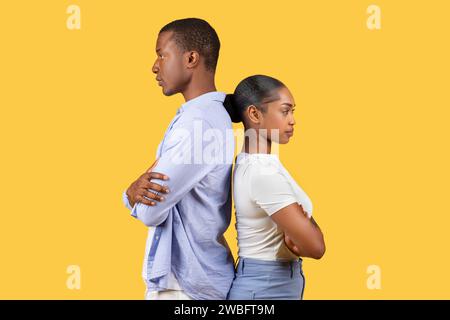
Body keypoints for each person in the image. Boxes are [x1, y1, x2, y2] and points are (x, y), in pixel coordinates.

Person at [122, 18, 235, 300]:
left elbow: (149, 211)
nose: (155, 66)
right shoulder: (202, 118)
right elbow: (142, 196)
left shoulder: (198, 124)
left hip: (187, 288)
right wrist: (131, 193)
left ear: (191, 58)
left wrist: (130, 193)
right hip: (193, 283)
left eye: (162, 54)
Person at [223, 75, 326, 300]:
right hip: (265, 290)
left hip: (267, 285)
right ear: (254, 114)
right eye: (285, 110)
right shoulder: (262, 173)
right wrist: (303, 228)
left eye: (293, 111)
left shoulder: (261, 163)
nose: (293, 120)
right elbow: (316, 247)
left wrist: (301, 228)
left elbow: (307, 240)